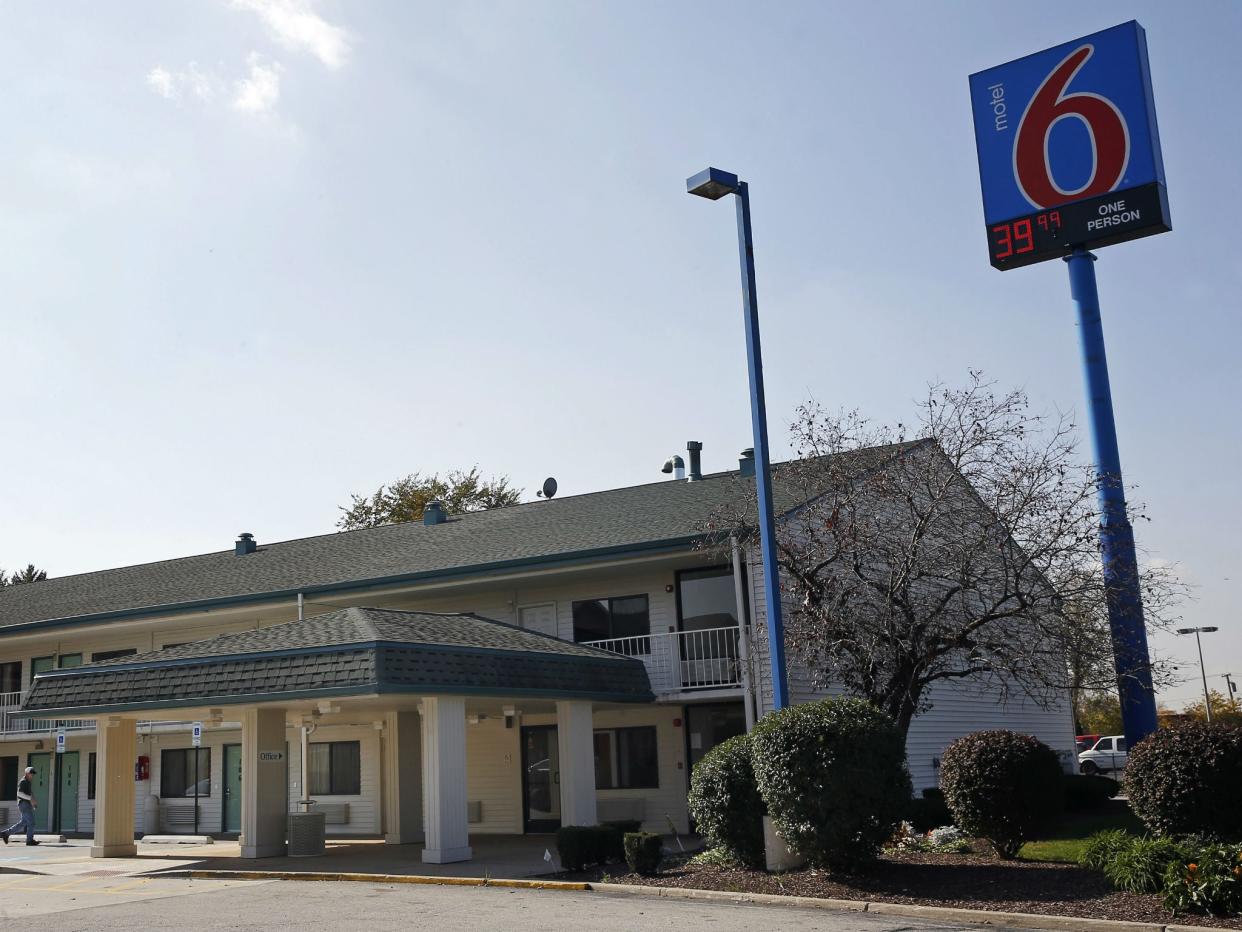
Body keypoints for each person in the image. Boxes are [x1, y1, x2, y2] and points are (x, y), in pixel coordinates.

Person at [2, 766, 40, 845]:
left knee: (23, 823)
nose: (32, 775)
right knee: (31, 823)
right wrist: (30, 799)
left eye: (33, 774)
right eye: (31, 774)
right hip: (23, 804)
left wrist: (33, 803)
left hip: (26, 804)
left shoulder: (28, 782)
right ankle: (29, 840)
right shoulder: (23, 781)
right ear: (26, 773)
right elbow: (19, 793)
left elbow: (29, 793)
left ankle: (6, 834)